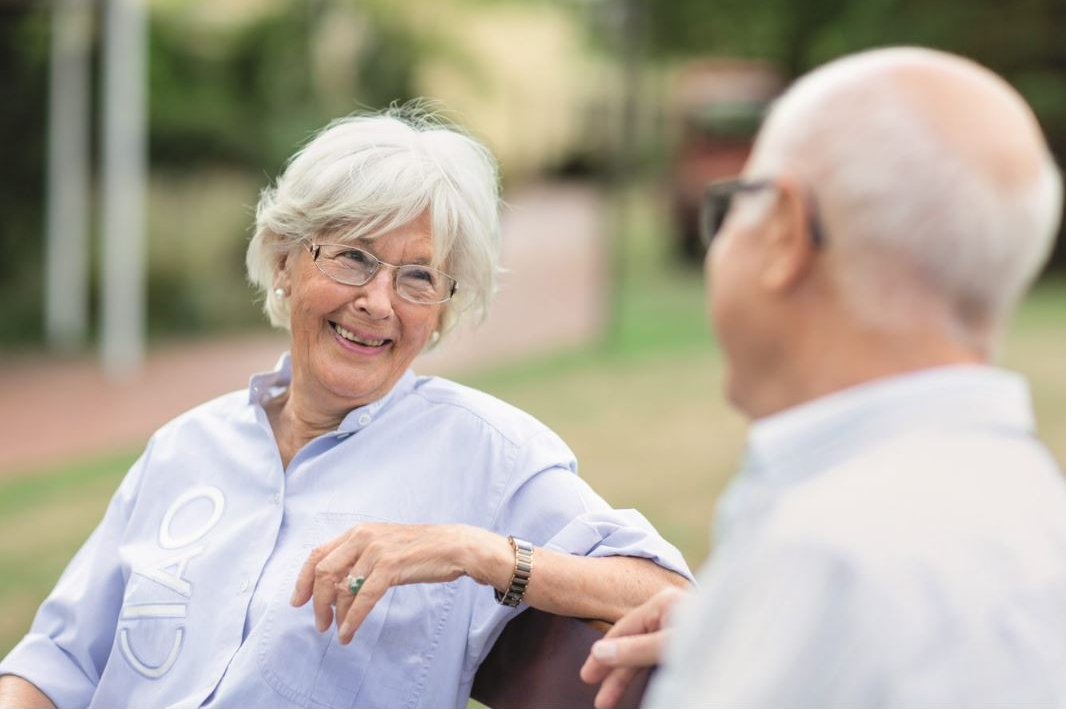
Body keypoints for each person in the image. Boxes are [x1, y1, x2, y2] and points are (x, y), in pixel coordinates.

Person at [0, 107, 691, 709]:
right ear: (285, 261)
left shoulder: (487, 452)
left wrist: (471, 550)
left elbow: (667, 595)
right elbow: (55, 661)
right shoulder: (184, 449)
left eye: (419, 276)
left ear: (445, 308)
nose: (379, 301)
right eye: (354, 258)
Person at [581, 47, 1066, 708]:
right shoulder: (1032, 512)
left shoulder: (827, 560)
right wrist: (735, 631)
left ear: (783, 230)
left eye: (732, 205)